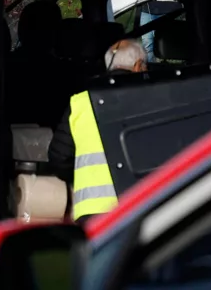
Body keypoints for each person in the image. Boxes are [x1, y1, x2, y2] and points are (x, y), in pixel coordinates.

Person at [48, 38, 147, 224]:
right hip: (139, 207)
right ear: (138, 66)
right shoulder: (150, 99)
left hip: (92, 212)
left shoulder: (80, 102)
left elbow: (59, 158)